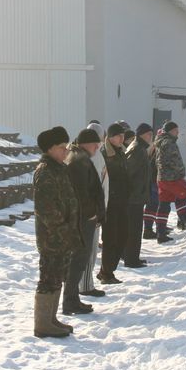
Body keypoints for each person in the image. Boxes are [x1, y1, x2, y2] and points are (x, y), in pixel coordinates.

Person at [32, 126, 82, 339]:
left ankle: (51, 319)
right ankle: (43, 324)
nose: (66, 151)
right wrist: (63, 230)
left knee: (57, 276)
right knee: (48, 277)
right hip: (53, 237)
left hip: (63, 235)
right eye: (62, 147)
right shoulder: (45, 171)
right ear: (51, 149)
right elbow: (47, 209)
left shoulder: (58, 168)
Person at [63, 128, 105, 316]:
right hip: (82, 219)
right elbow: (81, 194)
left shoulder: (79, 157)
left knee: (80, 259)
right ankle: (70, 301)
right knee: (78, 259)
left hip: (81, 218)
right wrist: (91, 214)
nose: (97, 147)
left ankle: (72, 299)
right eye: (95, 143)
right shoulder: (78, 160)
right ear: (85, 143)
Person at [97, 123, 130, 285]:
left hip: (122, 201)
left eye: (123, 136)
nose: (121, 138)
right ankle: (106, 273)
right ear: (110, 137)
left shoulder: (121, 151)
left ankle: (107, 270)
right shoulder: (105, 153)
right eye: (118, 135)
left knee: (122, 236)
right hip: (110, 203)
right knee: (110, 239)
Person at [79, 121, 108, 299]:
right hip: (91, 211)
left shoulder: (92, 155)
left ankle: (84, 284)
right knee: (88, 250)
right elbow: (99, 185)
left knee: (89, 250)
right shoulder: (94, 157)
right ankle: (86, 285)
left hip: (93, 209)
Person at [123, 123, 153, 268]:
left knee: (135, 229)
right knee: (133, 229)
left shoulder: (140, 148)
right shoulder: (137, 149)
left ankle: (133, 256)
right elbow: (129, 173)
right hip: (134, 197)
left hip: (137, 195)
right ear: (142, 134)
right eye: (149, 134)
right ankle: (131, 259)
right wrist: (136, 190)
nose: (151, 137)